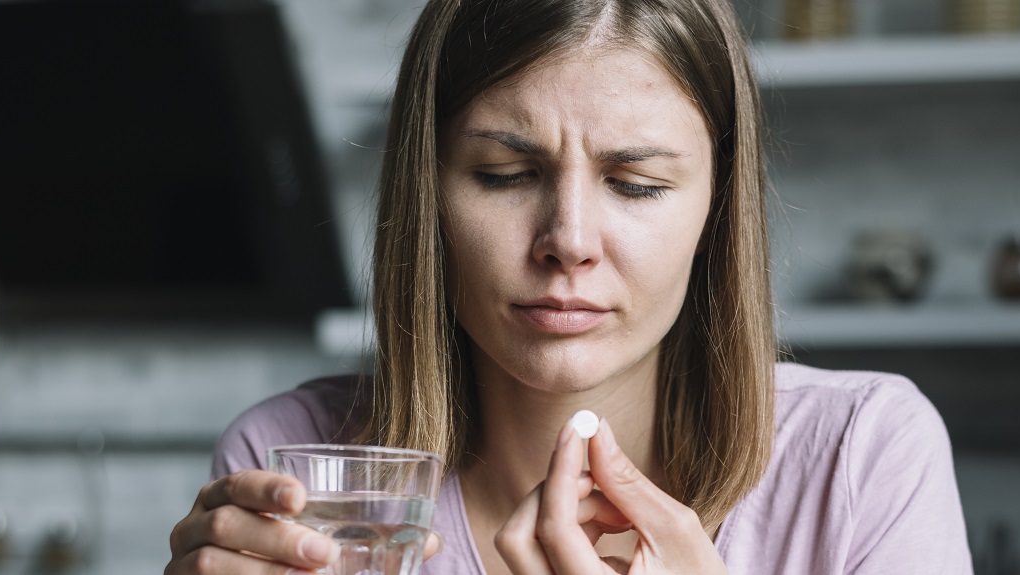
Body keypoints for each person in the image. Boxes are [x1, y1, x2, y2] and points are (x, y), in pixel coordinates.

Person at [166, 0, 974, 573]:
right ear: (427, 196)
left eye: (637, 184)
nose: (569, 242)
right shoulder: (309, 473)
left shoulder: (865, 454)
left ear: (717, 210)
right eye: (506, 174)